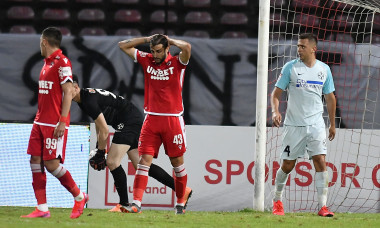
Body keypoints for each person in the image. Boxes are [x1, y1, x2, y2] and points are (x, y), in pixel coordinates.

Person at [70, 75, 192, 212]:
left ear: (76, 87)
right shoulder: (85, 97)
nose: (65, 93)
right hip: (131, 118)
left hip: (128, 121)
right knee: (140, 165)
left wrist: (100, 151)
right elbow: (100, 123)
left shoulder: (87, 101)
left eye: (67, 89)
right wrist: (100, 148)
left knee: (112, 161)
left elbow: (104, 129)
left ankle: (123, 204)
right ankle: (182, 190)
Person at [118, 34, 191, 214]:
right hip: (151, 119)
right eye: (153, 51)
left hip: (173, 119)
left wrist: (171, 40)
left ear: (167, 49)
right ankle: (136, 204)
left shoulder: (177, 62)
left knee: (177, 164)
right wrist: (146, 39)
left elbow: (187, 47)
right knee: (144, 161)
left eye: (159, 51)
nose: (155, 55)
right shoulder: (147, 60)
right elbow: (122, 45)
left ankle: (181, 201)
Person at [21, 27, 88, 219]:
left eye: (40, 42)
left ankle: (79, 195)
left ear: (44, 41)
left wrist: (62, 121)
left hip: (54, 123)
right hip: (39, 121)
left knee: (51, 165)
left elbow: (68, 92)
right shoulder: (46, 64)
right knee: (35, 160)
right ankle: (42, 208)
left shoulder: (63, 62)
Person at [270, 33, 336, 217]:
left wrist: (332, 124)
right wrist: (275, 112)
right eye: (298, 46)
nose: (299, 49)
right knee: (288, 165)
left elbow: (330, 98)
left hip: (316, 124)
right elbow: (276, 94)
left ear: (313, 49)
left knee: (320, 161)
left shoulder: (324, 69)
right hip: (294, 125)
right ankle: (277, 200)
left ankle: (322, 207)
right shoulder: (290, 67)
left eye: (302, 46)